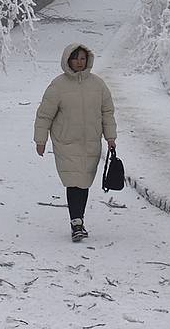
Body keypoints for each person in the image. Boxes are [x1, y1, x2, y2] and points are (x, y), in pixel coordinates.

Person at [34, 42, 117, 242]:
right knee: (73, 182)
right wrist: (41, 139)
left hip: (91, 143)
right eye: (75, 58)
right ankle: (76, 222)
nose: (79, 62)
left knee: (84, 183)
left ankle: (79, 220)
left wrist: (110, 137)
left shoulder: (98, 85)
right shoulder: (58, 86)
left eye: (82, 58)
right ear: (67, 60)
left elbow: (107, 112)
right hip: (66, 143)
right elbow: (44, 115)